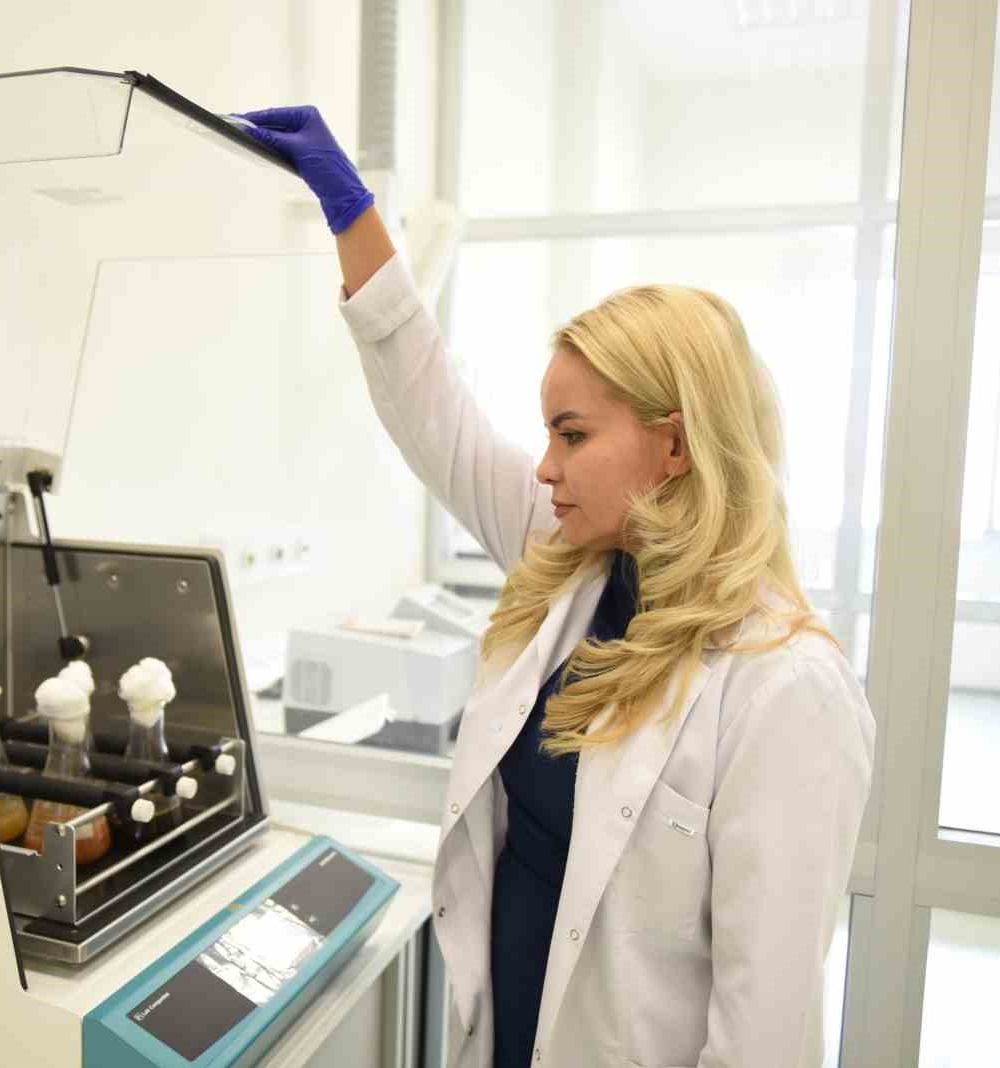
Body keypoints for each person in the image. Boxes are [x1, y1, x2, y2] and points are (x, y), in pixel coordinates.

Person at [239, 105, 875, 1068]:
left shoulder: (786, 688)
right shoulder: (578, 559)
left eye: (572, 436)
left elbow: (766, 1035)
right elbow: (435, 413)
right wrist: (353, 214)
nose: (544, 468)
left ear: (673, 444)